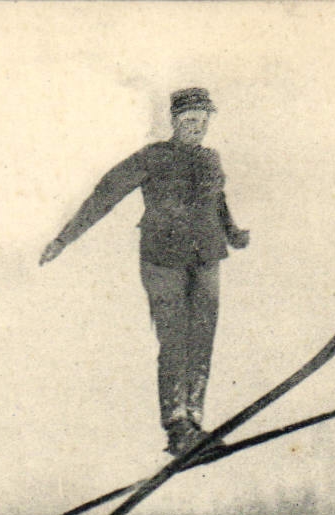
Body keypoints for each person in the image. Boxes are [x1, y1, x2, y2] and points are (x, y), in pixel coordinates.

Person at [40, 87, 251, 456]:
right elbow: (105, 194)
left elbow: (218, 200)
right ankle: (176, 425)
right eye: (189, 121)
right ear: (173, 121)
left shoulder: (211, 159)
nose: (196, 128)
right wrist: (63, 239)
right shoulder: (152, 157)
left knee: (201, 339)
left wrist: (232, 233)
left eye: (202, 121)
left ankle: (194, 423)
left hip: (207, 256)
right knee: (174, 339)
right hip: (162, 258)